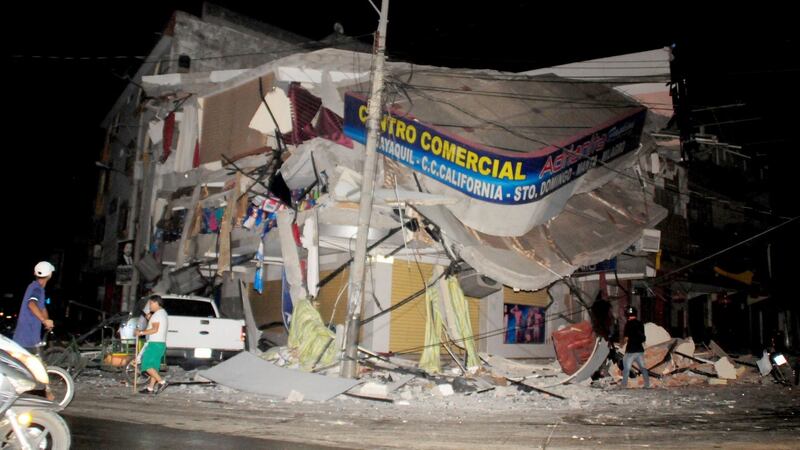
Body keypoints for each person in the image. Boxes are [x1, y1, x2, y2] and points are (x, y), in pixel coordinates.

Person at [13, 262, 56, 353]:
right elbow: (31, 304)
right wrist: (44, 321)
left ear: (34, 273)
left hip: (28, 337)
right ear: (49, 275)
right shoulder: (37, 289)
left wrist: (47, 321)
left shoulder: (36, 288)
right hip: (27, 339)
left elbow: (42, 308)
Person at [136, 294, 169, 395]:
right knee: (154, 367)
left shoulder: (157, 315)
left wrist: (141, 332)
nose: (149, 306)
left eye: (151, 304)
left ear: (156, 302)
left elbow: (155, 329)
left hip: (155, 343)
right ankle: (150, 388)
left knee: (146, 364)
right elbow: (156, 323)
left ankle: (162, 382)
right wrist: (150, 317)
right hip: (161, 344)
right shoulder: (162, 313)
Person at [621, 305, 650, 389]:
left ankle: (623, 385)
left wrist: (622, 345)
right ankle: (647, 385)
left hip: (630, 350)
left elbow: (626, 338)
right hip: (639, 350)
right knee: (643, 368)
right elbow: (643, 337)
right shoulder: (640, 323)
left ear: (627, 315)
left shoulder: (628, 324)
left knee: (626, 368)